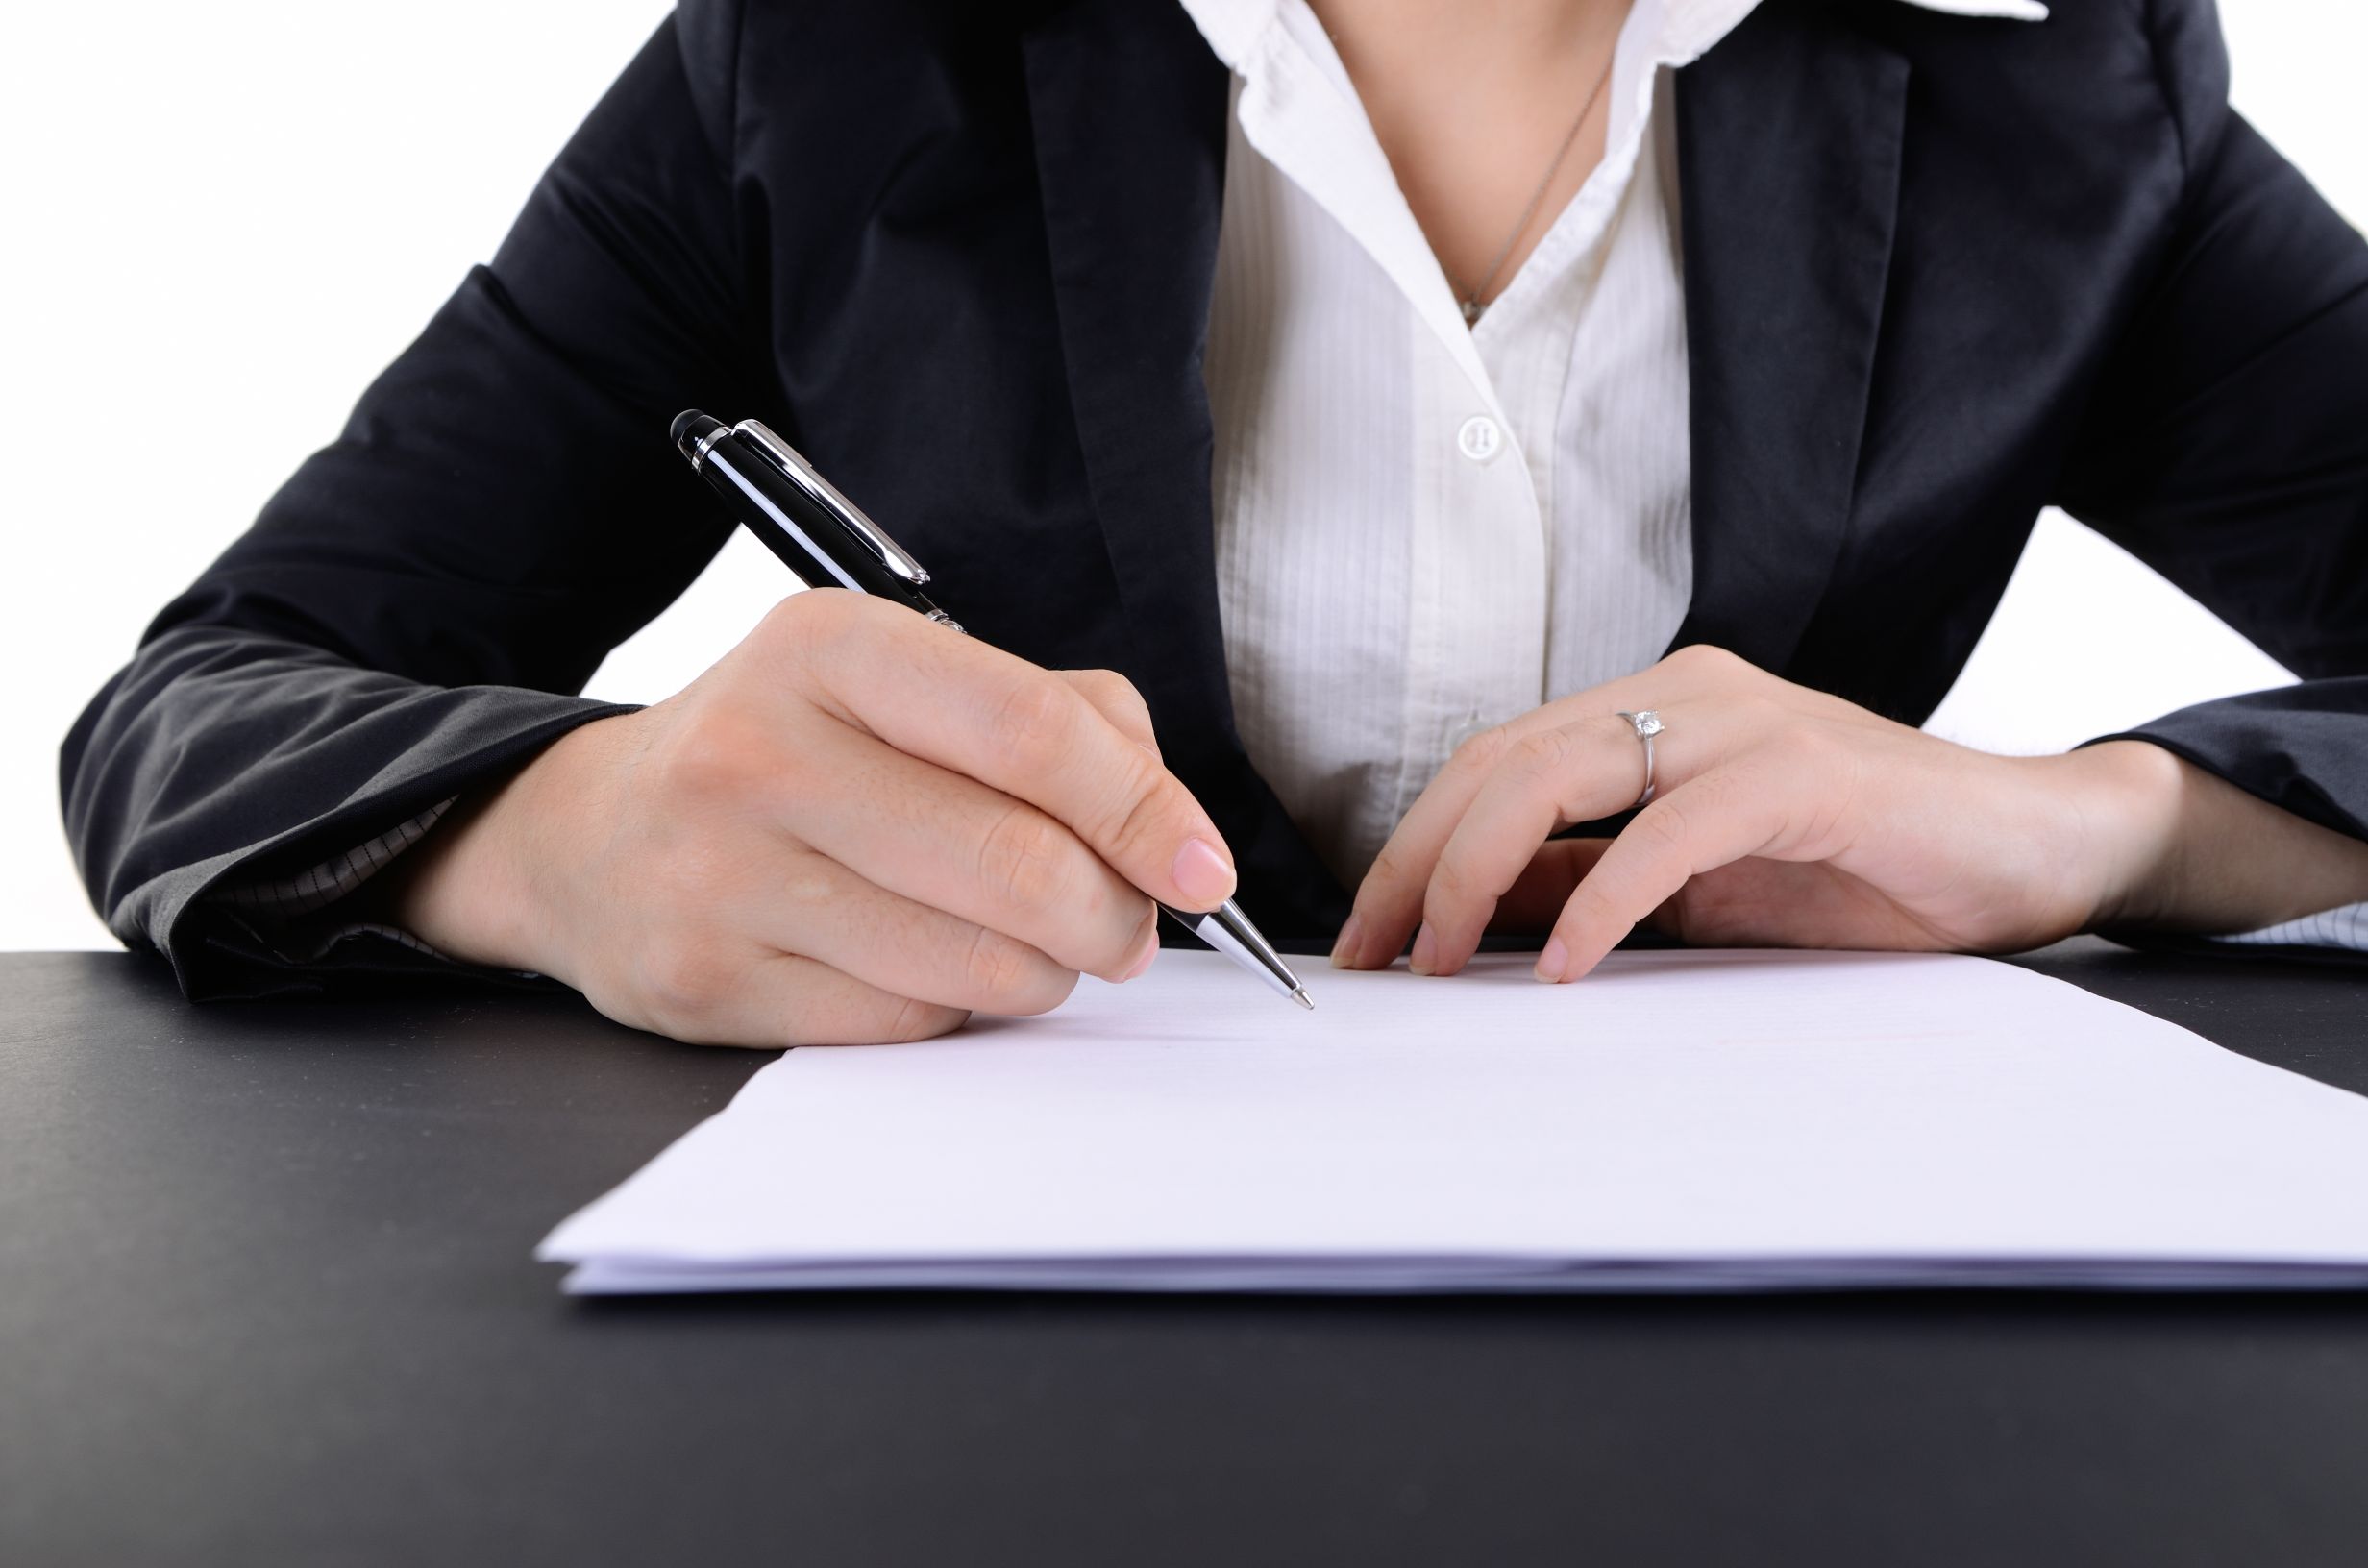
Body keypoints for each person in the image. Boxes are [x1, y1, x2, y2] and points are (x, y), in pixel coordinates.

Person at [61, 0, 2368, 1047]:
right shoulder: (826, 59)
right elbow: (195, 712)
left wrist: (2104, 827)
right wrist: (564, 840)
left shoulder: (2060, 84)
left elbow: (2126, 818)